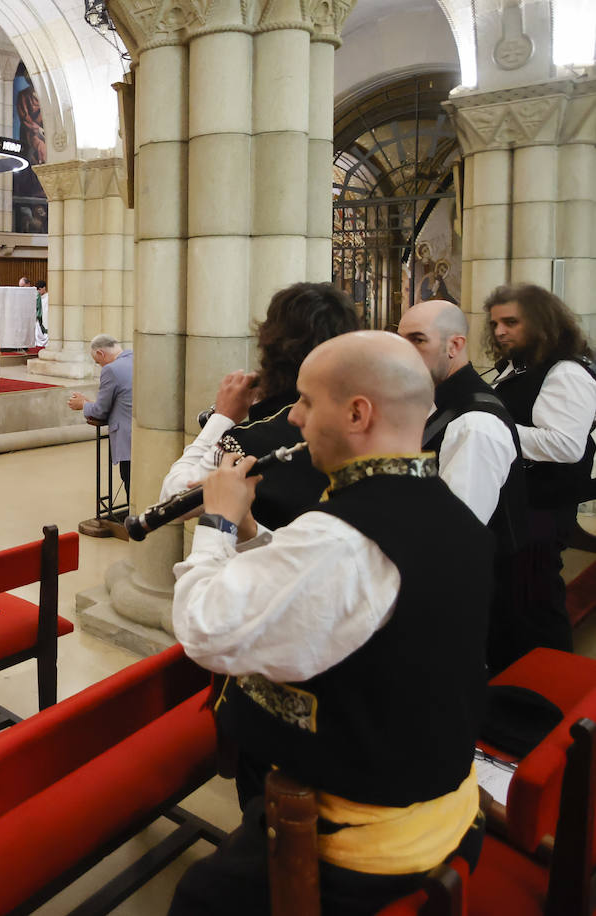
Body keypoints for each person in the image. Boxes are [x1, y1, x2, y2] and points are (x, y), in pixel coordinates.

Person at [167, 331, 491, 916]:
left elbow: (204, 630)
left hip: (360, 846)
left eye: (307, 402)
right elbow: (328, 597)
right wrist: (250, 534)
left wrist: (214, 524)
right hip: (439, 800)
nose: (293, 417)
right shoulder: (443, 506)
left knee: (196, 898)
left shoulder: (342, 537)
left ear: (357, 412)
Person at [159, 282, 360, 531]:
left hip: (258, 564)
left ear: (270, 344)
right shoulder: (358, 419)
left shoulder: (252, 440)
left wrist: (222, 417)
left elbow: (172, 501)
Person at [398, 300, 528, 672]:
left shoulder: (475, 423)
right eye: (400, 339)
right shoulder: (435, 399)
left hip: (473, 594)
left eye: (417, 340)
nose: (403, 351)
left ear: (454, 346)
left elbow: (456, 530)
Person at [486, 283, 596, 659]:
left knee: (536, 602)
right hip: (523, 504)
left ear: (542, 322)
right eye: (495, 323)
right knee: (514, 600)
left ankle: (552, 690)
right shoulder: (522, 367)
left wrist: (487, 429)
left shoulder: (566, 371)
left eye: (511, 322)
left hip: (544, 508)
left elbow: (566, 445)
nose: (499, 331)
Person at [68, 334, 132, 494]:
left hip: (127, 437)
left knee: (130, 482)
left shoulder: (111, 369)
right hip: (142, 435)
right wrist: (91, 403)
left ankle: (136, 517)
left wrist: (82, 404)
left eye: (98, 362)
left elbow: (100, 411)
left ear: (101, 354)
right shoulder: (135, 358)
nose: (100, 366)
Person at [35, 280, 49, 349]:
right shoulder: (37, 298)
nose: (38, 291)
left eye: (40, 289)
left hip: (46, 319)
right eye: (37, 290)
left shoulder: (49, 297)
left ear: (44, 288)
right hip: (39, 320)